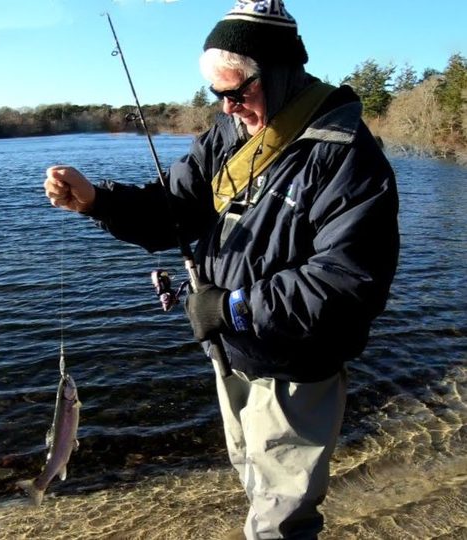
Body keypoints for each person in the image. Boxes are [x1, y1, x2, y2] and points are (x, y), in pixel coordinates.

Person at [44, 1, 399, 538]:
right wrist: (98, 201)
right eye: (217, 94)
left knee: (281, 520)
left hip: (294, 368)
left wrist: (231, 307)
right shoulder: (228, 134)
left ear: (279, 72)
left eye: (238, 92)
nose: (228, 106)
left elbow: (348, 283)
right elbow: (174, 210)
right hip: (231, 353)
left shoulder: (346, 155)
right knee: (254, 481)